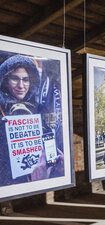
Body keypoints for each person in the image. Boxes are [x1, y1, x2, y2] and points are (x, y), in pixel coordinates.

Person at [0, 54, 63, 186]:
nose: (21, 85)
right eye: (15, 79)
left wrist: (54, 161)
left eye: (26, 79)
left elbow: (48, 139)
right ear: (5, 80)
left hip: (37, 180)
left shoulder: (39, 109)